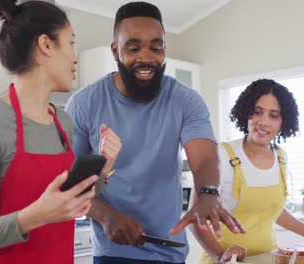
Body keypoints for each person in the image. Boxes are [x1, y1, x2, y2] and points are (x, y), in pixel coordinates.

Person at [65, 2, 245, 263]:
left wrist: (207, 193)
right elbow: (71, 185)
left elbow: (205, 157)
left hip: (169, 251)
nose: (146, 57)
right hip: (112, 254)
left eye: (155, 47)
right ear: (115, 50)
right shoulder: (84, 104)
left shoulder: (185, 100)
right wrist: (106, 215)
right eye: (133, 48)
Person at [0, 0, 120, 263]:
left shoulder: (62, 121)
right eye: (71, 42)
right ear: (46, 45)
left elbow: (70, 202)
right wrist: (35, 216)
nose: (75, 57)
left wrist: (106, 165)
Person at [190, 79, 304, 263]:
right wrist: (221, 255)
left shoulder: (281, 156)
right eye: (257, 112)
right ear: (246, 113)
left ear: (283, 122)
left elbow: (270, 209)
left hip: (267, 259)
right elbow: (196, 218)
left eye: (274, 115)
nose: (263, 122)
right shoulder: (220, 155)